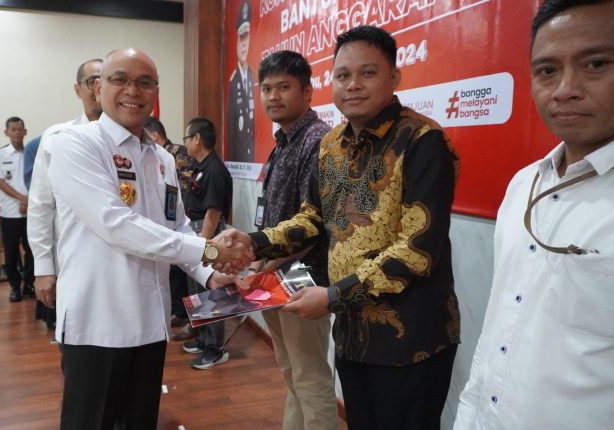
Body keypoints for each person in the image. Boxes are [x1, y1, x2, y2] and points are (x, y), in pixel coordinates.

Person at [217, 26, 461, 430]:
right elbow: (312, 219)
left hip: (411, 336)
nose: (353, 85)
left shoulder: (422, 140)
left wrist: (332, 296)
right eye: (343, 75)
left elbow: (417, 251)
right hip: (352, 331)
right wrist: (253, 242)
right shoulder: (332, 145)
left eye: (368, 73)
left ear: (394, 77)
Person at [39, 47, 252, 429]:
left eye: (144, 82)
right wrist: (208, 249)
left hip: (150, 321)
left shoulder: (162, 159)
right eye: (120, 79)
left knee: (140, 421)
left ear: (155, 91)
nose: (132, 91)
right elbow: (116, 224)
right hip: (97, 321)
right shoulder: (75, 144)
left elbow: (176, 227)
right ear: (99, 88)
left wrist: (210, 274)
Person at [453, 1, 614, 429]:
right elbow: (500, 323)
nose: (565, 89)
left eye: (596, 64)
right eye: (547, 70)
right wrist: (469, 414)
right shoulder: (524, 183)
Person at [247, 50, 338, 430]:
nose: (273, 96)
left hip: (304, 280)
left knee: (310, 377)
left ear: (307, 92)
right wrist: (258, 264)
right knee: (290, 372)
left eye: (283, 87)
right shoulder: (283, 141)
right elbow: (274, 216)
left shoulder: (318, 140)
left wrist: (264, 263)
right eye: (266, 88)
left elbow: (316, 223)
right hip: (273, 278)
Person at [27, 58, 103, 328]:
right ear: (77, 89)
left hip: (121, 268)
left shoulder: (134, 141)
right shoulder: (56, 137)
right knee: (75, 339)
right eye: (91, 81)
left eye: (104, 80)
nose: (98, 87)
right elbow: (41, 206)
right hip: (73, 263)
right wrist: (43, 268)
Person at [180, 117, 233, 369]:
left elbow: (213, 212)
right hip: (196, 233)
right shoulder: (201, 167)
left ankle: (215, 348)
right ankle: (203, 338)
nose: (185, 144)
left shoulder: (214, 170)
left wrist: (203, 247)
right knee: (197, 291)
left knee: (211, 292)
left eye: (186, 138)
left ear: (197, 139)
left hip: (207, 235)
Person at [144, 116, 197, 335]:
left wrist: (210, 262)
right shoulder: (81, 144)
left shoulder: (168, 157)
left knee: (182, 279)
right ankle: (180, 311)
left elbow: (176, 214)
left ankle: (184, 313)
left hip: (183, 229)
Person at [0, 116, 35, 302]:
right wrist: (22, 199)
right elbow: (0, 183)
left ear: (25, 132)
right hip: (9, 213)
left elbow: (38, 179)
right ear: (6, 132)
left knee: (32, 250)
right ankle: (15, 286)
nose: (17, 132)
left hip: (32, 212)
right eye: (13, 129)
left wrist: (29, 201)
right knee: (11, 252)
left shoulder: (32, 152)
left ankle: (29, 284)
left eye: (20, 129)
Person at [226, 0, 255, 162]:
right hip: (239, 159)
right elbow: (231, 131)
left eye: (246, 37)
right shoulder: (233, 82)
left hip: (251, 159)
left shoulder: (252, 77)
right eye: (241, 38)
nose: (244, 44)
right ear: (236, 43)